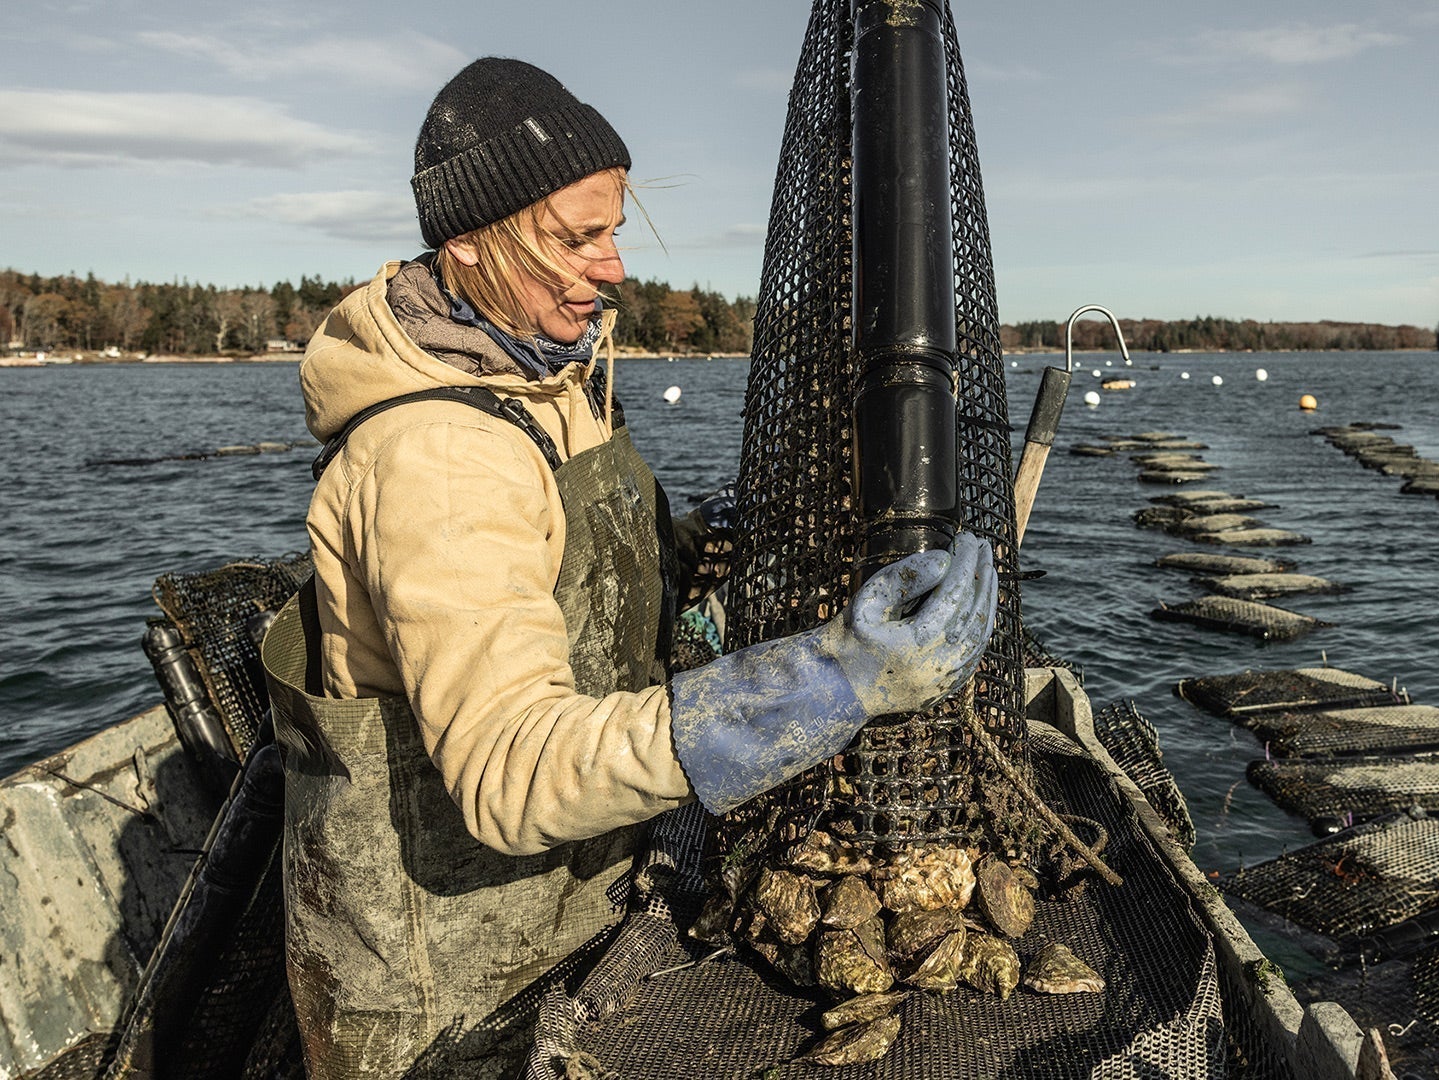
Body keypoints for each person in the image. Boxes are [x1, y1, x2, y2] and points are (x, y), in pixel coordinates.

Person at [263, 57, 997, 1078]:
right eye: (576, 238)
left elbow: (570, 576)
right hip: (453, 998)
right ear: (468, 243)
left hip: (584, 905)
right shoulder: (438, 455)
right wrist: (825, 680)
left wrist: (708, 541)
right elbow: (513, 773)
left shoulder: (540, 375)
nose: (611, 267)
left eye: (611, 230)